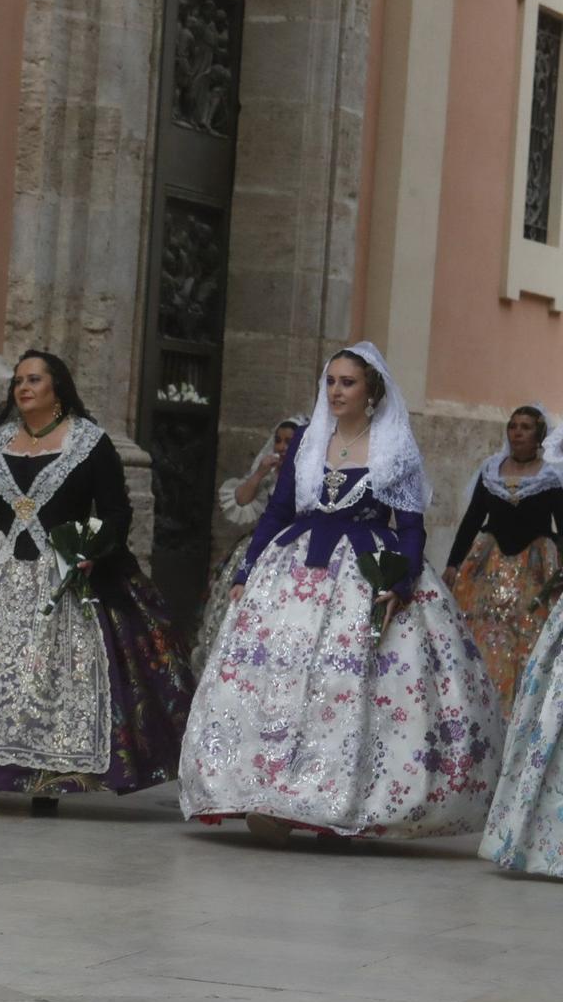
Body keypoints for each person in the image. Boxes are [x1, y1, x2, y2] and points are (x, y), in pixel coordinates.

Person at [180, 343, 501, 843]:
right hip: (294, 573)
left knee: (348, 687)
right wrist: (248, 568)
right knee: (275, 677)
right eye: (330, 381)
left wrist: (400, 580)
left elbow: (411, 527)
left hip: (363, 573)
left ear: (371, 390)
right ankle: (269, 795)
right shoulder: (308, 441)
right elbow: (278, 511)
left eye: (347, 383)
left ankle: (346, 798)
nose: (335, 391)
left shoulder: (395, 445)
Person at [0, 350, 192, 815]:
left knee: (48, 672)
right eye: (17, 381)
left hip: (61, 574)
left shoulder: (89, 443)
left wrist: (91, 549)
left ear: (57, 388)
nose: (22, 388)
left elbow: (115, 510)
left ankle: (48, 777)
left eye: (33, 380)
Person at [443, 406, 562, 711]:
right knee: (482, 632)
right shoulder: (491, 472)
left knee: (525, 634)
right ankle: (478, 701)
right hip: (488, 565)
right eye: (513, 426)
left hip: (533, 568)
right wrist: (453, 563)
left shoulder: (550, 478)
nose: (517, 432)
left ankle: (520, 705)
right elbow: (471, 520)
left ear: (538, 436)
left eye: (525, 427)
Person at [193, 415, 306, 671]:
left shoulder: (305, 474)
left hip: (292, 546)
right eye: (278, 440)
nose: (281, 446)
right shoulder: (269, 474)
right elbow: (241, 501)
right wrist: (260, 473)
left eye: (289, 441)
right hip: (259, 544)